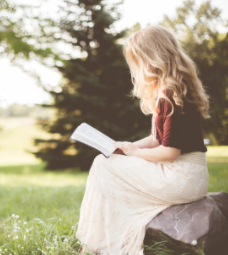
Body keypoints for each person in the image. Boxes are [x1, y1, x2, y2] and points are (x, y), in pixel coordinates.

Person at [76, 25, 210, 255]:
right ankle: (101, 240)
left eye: (137, 61)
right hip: (191, 175)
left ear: (151, 59)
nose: (136, 68)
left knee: (102, 165)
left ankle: (98, 243)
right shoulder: (175, 89)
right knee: (107, 162)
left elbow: (169, 153)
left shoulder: (169, 93)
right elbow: (156, 139)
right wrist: (126, 146)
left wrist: (134, 154)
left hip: (181, 176)